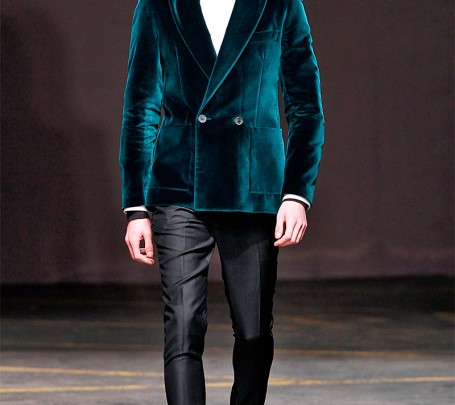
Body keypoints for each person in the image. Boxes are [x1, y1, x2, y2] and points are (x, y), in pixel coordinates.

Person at [119, 0, 324, 403]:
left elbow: (306, 107)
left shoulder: (280, 5)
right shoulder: (158, 5)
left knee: (253, 330)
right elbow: (140, 108)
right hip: (179, 185)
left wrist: (296, 193)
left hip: (251, 186)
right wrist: (137, 207)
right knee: (181, 326)